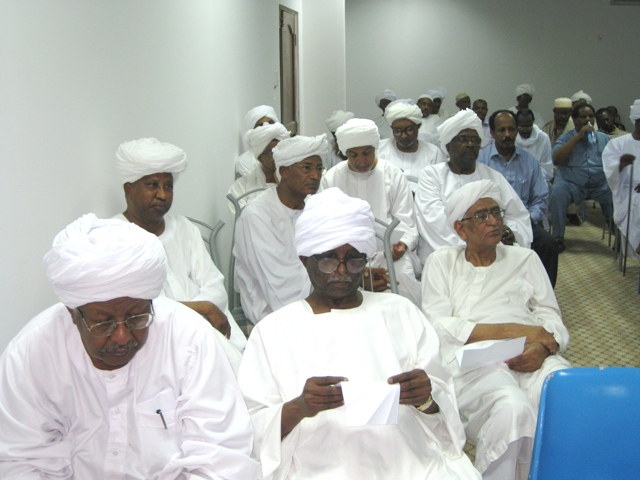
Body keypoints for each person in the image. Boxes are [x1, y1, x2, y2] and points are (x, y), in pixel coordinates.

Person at [238, 188, 481, 480]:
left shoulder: (400, 311)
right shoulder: (273, 331)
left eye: (353, 260)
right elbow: (249, 429)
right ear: (305, 260)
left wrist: (425, 398)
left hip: (408, 458)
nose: (342, 271)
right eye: (328, 260)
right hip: (319, 466)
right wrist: (301, 406)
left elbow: (442, 404)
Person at [0, 214, 259, 479]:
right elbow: (20, 461)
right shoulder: (31, 356)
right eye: (104, 323)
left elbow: (222, 457)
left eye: (137, 317)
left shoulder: (189, 339)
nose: (123, 337)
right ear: (72, 313)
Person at [422, 180, 571, 480]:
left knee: (564, 392)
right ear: (461, 229)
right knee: (512, 409)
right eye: (481, 215)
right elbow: (438, 326)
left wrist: (542, 348)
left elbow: (550, 317)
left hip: (531, 354)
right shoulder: (441, 262)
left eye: (496, 212)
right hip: (473, 362)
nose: (493, 221)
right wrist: (514, 331)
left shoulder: (525, 258)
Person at [113, 138, 246, 365]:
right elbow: (141, 311)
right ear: (129, 189)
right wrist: (203, 308)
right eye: (152, 185)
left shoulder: (184, 227)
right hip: (162, 344)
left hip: (213, 327)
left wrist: (205, 310)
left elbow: (214, 283)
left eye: (168, 186)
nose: (162, 195)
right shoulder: (114, 237)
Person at [321, 118, 423, 306]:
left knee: (403, 277)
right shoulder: (332, 178)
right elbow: (326, 223)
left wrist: (403, 244)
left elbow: (405, 219)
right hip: (346, 256)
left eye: (367, 153)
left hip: (388, 253)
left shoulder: (393, 174)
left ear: (375, 149)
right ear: (345, 153)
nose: (361, 161)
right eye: (353, 155)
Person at [414, 109, 533, 264]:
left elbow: (517, 216)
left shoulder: (493, 176)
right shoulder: (432, 176)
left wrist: (510, 233)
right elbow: (435, 223)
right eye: (463, 139)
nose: (470, 144)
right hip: (447, 255)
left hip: (493, 252)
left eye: (475, 140)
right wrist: (478, 245)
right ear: (448, 147)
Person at [233, 134, 327, 325]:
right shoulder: (256, 216)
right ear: (284, 171)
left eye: (319, 169)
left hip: (318, 296)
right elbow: (280, 283)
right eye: (306, 168)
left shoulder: (314, 207)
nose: (315, 176)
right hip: (271, 311)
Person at [479, 110, 559, 287]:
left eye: (511, 129)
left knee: (548, 244)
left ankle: (543, 295)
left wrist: (525, 221)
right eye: (502, 130)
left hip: (524, 220)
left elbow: (540, 199)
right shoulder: (480, 160)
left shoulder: (530, 162)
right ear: (492, 133)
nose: (507, 135)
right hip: (488, 221)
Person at [549, 103, 613, 252]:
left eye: (591, 116)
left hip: (599, 184)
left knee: (617, 194)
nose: (588, 119)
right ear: (575, 119)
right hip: (572, 183)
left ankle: (619, 235)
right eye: (583, 117)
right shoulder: (566, 137)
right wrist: (578, 137)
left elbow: (613, 162)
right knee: (557, 192)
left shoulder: (603, 139)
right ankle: (558, 237)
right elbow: (557, 159)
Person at [377, 100, 446, 191]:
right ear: (392, 129)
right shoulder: (380, 149)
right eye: (397, 131)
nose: (403, 136)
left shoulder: (433, 152)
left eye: (409, 130)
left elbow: (439, 186)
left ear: (418, 126)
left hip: (423, 197)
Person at [603, 99, 640, 258]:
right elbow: (609, 171)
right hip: (626, 191)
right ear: (635, 121)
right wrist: (621, 165)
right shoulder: (618, 144)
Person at [228, 122, 290, 212]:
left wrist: (282, 185)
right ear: (260, 157)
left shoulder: (297, 184)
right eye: (272, 153)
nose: (278, 156)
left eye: (281, 151)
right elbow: (244, 219)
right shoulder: (240, 188)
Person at [235, 105, 280, 178]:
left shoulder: (288, 152)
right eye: (260, 125)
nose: (266, 128)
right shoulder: (244, 162)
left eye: (270, 123)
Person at [515, 108, 554, 186]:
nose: (525, 130)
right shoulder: (512, 137)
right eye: (521, 127)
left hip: (538, 180)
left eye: (528, 126)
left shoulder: (543, 138)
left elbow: (547, 167)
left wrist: (532, 179)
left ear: (532, 123)